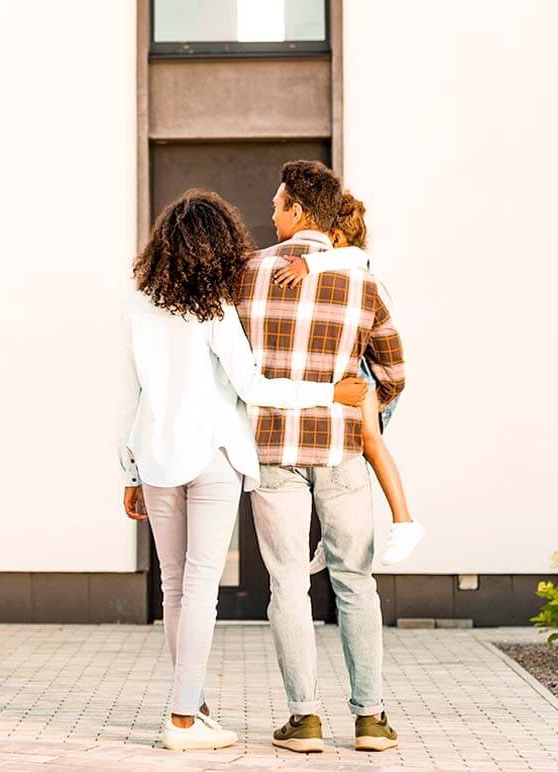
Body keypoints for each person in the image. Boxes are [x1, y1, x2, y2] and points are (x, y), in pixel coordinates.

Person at [117, 188, 368, 751]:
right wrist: (328, 390)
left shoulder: (136, 307)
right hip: (212, 457)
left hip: (155, 459)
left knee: (174, 586)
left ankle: (192, 704)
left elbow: (124, 399)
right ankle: (184, 719)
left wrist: (130, 470)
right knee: (202, 587)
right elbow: (253, 387)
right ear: (219, 246)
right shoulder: (215, 311)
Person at [236, 161, 407, 754]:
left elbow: (229, 370)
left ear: (300, 213)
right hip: (340, 451)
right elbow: (394, 371)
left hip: (272, 450)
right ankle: (370, 720)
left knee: (287, 585)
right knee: (356, 581)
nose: (272, 214)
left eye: (279, 204)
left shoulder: (246, 276)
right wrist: (369, 416)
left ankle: (304, 720)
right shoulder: (364, 284)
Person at [271, 192, 424, 570]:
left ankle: (405, 522)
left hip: (364, 376)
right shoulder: (345, 267)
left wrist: (307, 264)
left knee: (369, 444)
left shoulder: (354, 265)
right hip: (356, 375)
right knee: (351, 462)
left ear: (334, 237)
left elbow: (352, 257)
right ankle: (332, 536)